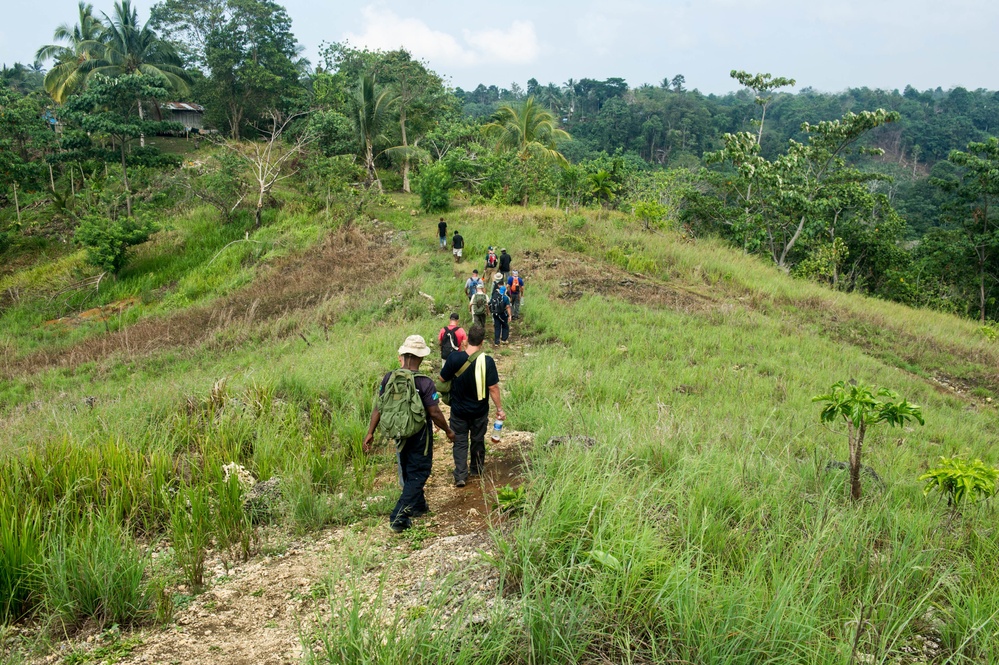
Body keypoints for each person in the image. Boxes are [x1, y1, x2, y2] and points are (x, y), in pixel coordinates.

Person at [363, 335, 454, 532]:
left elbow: (379, 407)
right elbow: (434, 412)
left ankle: (419, 507)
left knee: (407, 468)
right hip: (420, 434)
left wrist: (370, 432)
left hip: (398, 432)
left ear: (403, 355)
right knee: (419, 471)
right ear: (420, 358)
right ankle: (399, 517)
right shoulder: (424, 382)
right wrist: (448, 431)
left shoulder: (389, 378)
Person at [439, 325, 505, 487]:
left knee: (460, 442)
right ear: (482, 342)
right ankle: (476, 468)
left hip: (458, 410)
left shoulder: (454, 358)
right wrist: (499, 409)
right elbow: (493, 388)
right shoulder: (487, 361)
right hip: (479, 411)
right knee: (477, 439)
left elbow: (441, 379)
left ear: (467, 339)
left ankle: (461, 475)